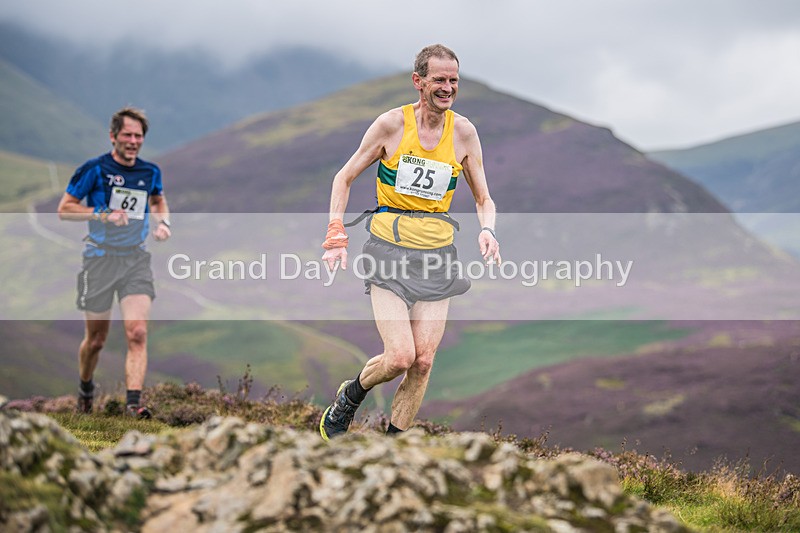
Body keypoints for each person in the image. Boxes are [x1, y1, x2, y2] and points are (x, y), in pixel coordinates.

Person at [319, 44, 501, 439]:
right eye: (439, 79)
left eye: (453, 80)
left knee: (423, 361)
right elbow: (343, 177)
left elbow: (484, 198)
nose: (447, 88)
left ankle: (392, 447)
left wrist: (487, 229)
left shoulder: (464, 133)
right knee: (401, 357)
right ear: (418, 81)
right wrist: (336, 232)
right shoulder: (391, 125)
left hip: (438, 257)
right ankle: (351, 395)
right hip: (388, 252)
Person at [57, 106, 171, 418]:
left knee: (137, 333)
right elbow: (65, 209)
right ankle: (85, 389)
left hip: (136, 260)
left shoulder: (150, 172)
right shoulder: (93, 170)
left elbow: (158, 199)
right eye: (127, 135)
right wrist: (102, 214)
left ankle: (134, 405)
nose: (133, 141)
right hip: (99, 260)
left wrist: (163, 224)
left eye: (138, 136)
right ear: (113, 136)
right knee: (96, 340)